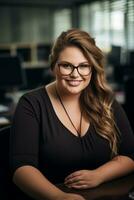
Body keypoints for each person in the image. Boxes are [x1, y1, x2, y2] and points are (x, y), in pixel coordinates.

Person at [9, 28, 134, 200]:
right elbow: (21, 168)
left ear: (93, 68)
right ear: (54, 66)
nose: (75, 74)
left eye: (84, 66)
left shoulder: (106, 100)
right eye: (67, 65)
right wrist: (60, 197)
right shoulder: (31, 104)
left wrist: (99, 175)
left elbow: (130, 155)